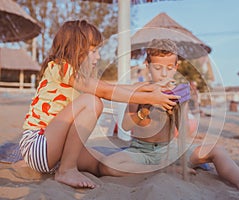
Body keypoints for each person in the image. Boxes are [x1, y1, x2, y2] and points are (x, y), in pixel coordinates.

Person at [100, 39, 239, 200]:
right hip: (142, 152)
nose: (164, 73)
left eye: (169, 68)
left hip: (171, 149)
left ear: (176, 67)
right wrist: (145, 108)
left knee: (216, 150)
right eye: (157, 67)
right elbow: (126, 125)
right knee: (107, 166)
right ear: (147, 65)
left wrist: (180, 109)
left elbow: (185, 132)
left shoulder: (178, 92)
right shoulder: (139, 89)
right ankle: (161, 170)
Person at [19, 20, 179, 189]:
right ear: (76, 49)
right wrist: (151, 99)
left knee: (104, 165)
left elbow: (112, 87)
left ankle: (159, 169)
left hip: (54, 149)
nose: (99, 56)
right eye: (94, 51)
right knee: (92, 101)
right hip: (39, 144)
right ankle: (66, 170)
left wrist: (148, 88)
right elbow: (106, 92)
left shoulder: (77, 75)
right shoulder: (61, 68)